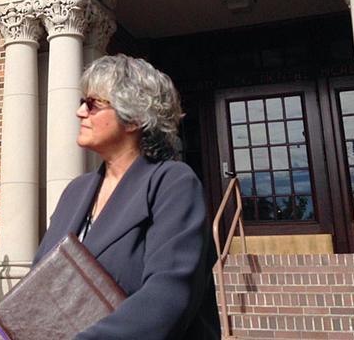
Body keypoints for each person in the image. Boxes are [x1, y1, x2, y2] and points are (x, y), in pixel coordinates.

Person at [33, 54, 220, 339]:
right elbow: (41, 280)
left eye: (93, 104)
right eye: (83, 102)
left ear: (134, 118)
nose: (80, 112)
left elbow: (168, 298)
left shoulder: (173, 183)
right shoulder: (75, 191)